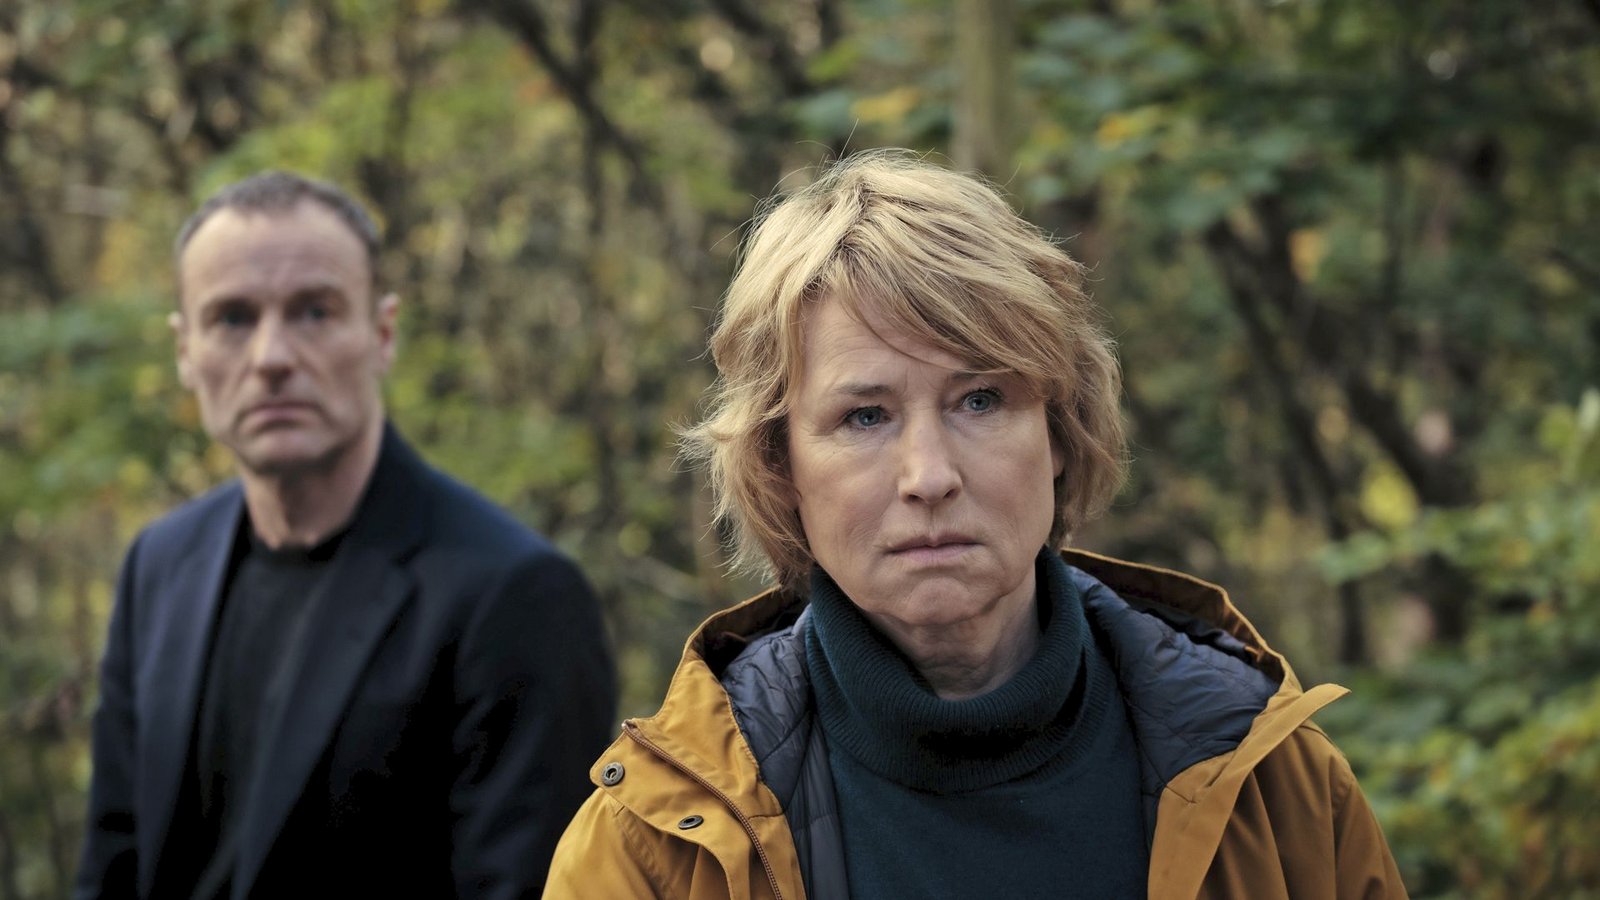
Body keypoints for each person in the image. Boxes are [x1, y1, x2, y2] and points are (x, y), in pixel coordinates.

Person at [544, 152, 1405, 899]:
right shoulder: (657, 846)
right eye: (865, 417)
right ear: (781, 466)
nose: (929, 476)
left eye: (980, 400)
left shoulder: (1273, 786)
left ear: (1059, 433)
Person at [76, 172, 617, 899]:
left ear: (382, 334)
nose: (271, 356)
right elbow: (113, 865)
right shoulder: (159, 565)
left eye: (314, 312)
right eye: (232, 318)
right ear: (184, 351)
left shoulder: (513, 594)